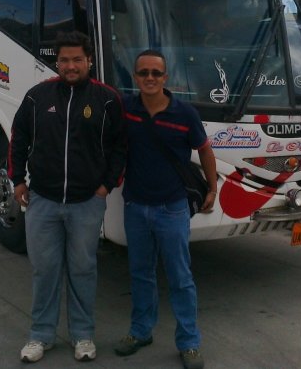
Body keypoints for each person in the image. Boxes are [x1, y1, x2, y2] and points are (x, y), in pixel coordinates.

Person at [10, 31, 126, 363]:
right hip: (42, 201)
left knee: (82, 269)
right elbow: (19, 138)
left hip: (86, 203)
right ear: (56, 62)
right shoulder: (37, 96)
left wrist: (106, 186)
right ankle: (40, 336)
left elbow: (119, 147)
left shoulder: (107, 99)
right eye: (64, 60)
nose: (71, 66)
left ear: (89, 60)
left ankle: (83, 336)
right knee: (44, 270)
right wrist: (18, 179)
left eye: (77, 59)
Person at [115, 49, 218, 369]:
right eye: (143, 72)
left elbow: (205, 150)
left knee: (180, 277)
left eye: (155, 73)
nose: (149, 78)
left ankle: (189, 342)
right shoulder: (126, 109)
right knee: (140, 274)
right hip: (135, 207)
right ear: (135, 77)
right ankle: (141, 331)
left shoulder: (184, 114)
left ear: (165, 78)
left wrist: (213, 189)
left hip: (172, 209)